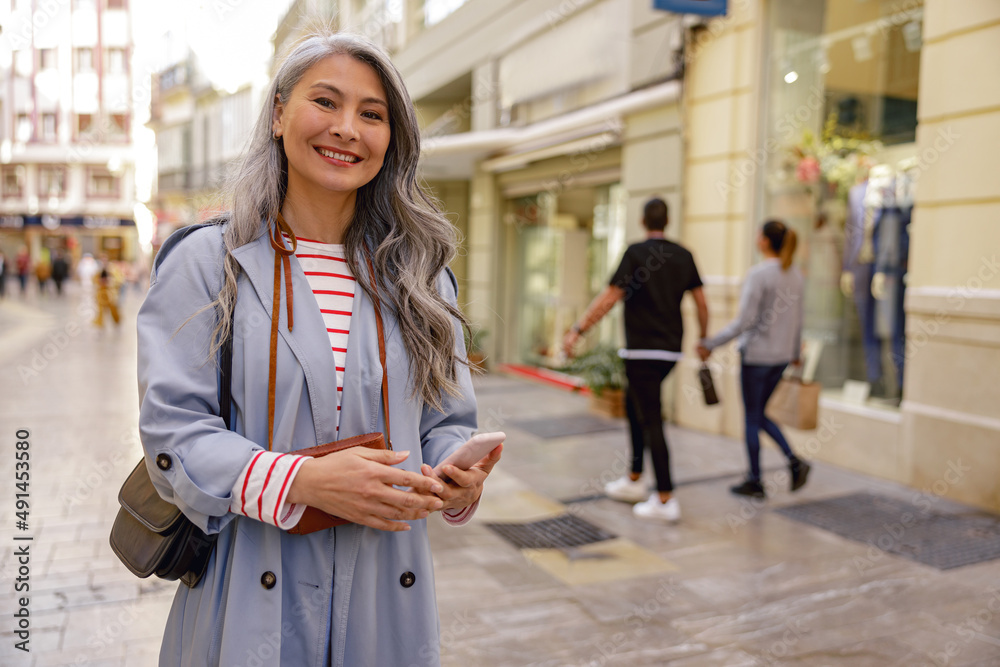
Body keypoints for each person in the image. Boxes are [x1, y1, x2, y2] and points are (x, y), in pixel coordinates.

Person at [136, 32, 501, 666]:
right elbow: (174, 432)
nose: (346, 129)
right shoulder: (206, 263)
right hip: (249, 596)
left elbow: (443, 422)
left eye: (372, 114)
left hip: (387, 600)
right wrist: (305, 481)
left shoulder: (421, 275)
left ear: (392, 139)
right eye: (325, 102)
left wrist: (454, 476)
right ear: (278, 113)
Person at [563, 197, 708, 522]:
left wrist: (578, 329)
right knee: (634, 405)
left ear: (644, 221)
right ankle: (634, 478)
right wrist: (703, 339)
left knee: (651, 417)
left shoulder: (635, 253)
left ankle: (666, 497)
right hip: (669, 350)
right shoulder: (684, 255)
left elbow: (610, 298)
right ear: (667, 220)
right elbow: (701, 302)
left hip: (641, 351)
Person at [697, 219, 810, 498]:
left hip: (758, 357)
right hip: (781, 356)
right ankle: (793, 463)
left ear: (764, 241)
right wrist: (795, 352)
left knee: (752, 417)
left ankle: (756, 479)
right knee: (759, 415)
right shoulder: (795, 275)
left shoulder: (759, 275)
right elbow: (798, 320)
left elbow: (744, 321)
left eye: (759, 234)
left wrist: (711, 343)